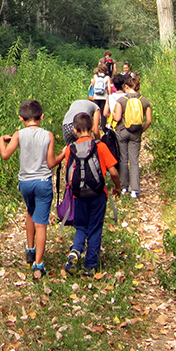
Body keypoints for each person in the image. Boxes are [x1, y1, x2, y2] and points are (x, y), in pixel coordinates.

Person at [50, 112, 120, 276]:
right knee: (95, 229)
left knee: (81, 226)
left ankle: (75, 250)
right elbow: (114, 172)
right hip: (98, 194)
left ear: (74, 130)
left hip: (78, 195)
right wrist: (117, 187)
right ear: (92, 128)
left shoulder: (70, 149)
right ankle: (89, 267)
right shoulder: (100, 147)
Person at [0, 99, 57, 279]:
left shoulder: (18, 134)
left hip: (25, 183)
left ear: (21, 119)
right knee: (41, 223)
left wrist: (2, 140)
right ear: (42, 117)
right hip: (42, 182)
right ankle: (39, 265)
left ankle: (29, 251)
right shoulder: (48, 135)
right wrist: (63, 154)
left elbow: (5, 155)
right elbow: (50, 163)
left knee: (30, 213)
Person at [111, 74, 152, 198]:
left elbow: (117, 118)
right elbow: (148, 120)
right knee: (134, 161)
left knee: (123, 159)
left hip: (122, 132)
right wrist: (141, 131)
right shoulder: (144, 101)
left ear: (127, 87)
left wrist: (113, 115)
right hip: (136, 133)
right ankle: (135, 190)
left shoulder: (122, 100)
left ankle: (124, 187)